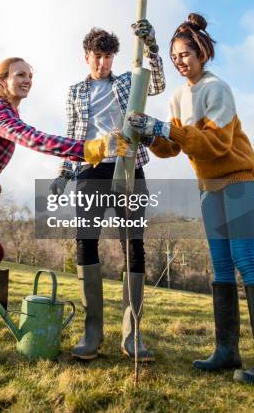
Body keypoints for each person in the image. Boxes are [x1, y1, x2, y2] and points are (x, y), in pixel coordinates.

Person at [0, 57, 131, 360]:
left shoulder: (1, 110)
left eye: (31, 75)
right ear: (1, 81)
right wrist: (87, 149)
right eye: (20, 74)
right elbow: (31, 138)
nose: (27, 79)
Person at [127, 13, 254, 385]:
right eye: (175, 56)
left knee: (245, 259)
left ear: (201, 52)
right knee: (220, 265)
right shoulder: (178, 96)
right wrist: (150, 133)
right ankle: (227, 351)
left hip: (238, 178)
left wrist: (167, 129)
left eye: (185, 54)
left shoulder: (218, 89)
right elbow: (171, 147)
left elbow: (217, 145)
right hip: (207, 185)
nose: (180, 61)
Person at [51, 20, 166, 361]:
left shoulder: (129, 82)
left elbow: (157, 83)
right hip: (91, 170)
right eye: (96, 56)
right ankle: (92, 332)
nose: (102, 63)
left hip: (129, 166)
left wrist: (152, 47)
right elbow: (73, 136)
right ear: (86, 56)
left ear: (115, 57)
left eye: (108, 57)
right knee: (86, 241)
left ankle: (133, 334)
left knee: (133, 243)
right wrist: (64, 172)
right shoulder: (75, 92)